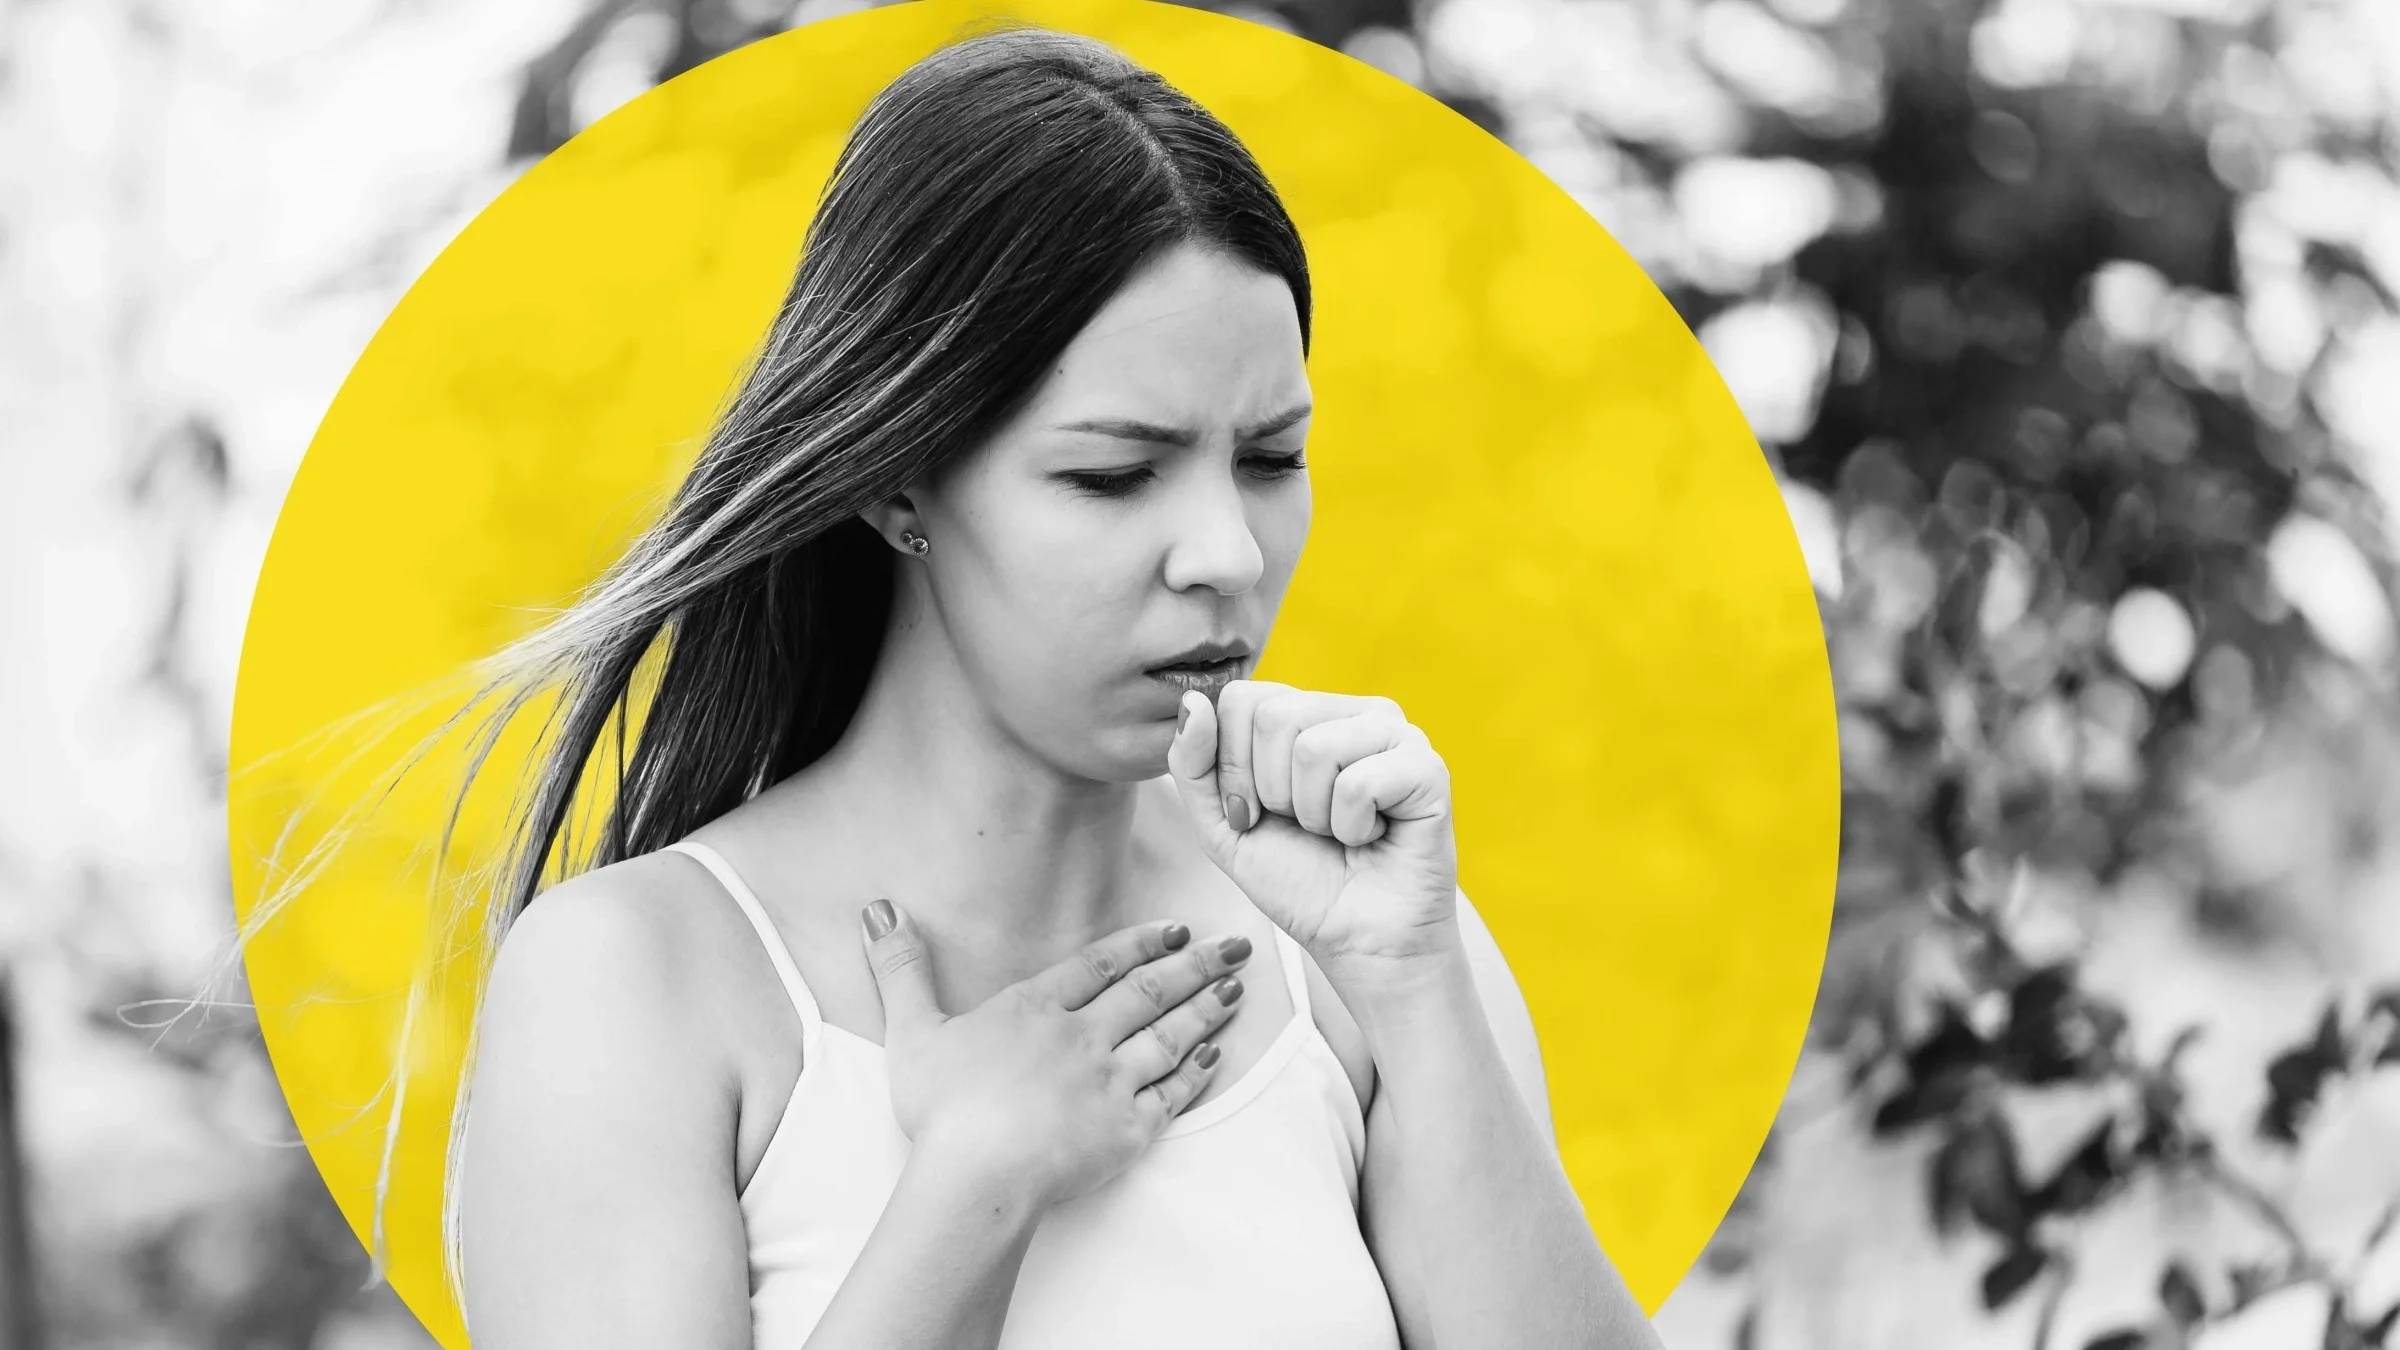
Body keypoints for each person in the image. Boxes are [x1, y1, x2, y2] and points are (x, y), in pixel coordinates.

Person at [448, 23, 1661, 1350]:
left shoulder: (1369, 958)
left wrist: (1417, 991)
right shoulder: (636, 981)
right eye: (1113, 475)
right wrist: (975, 1188)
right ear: (896, 483)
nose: (1228, 553)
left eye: (1270, 459)